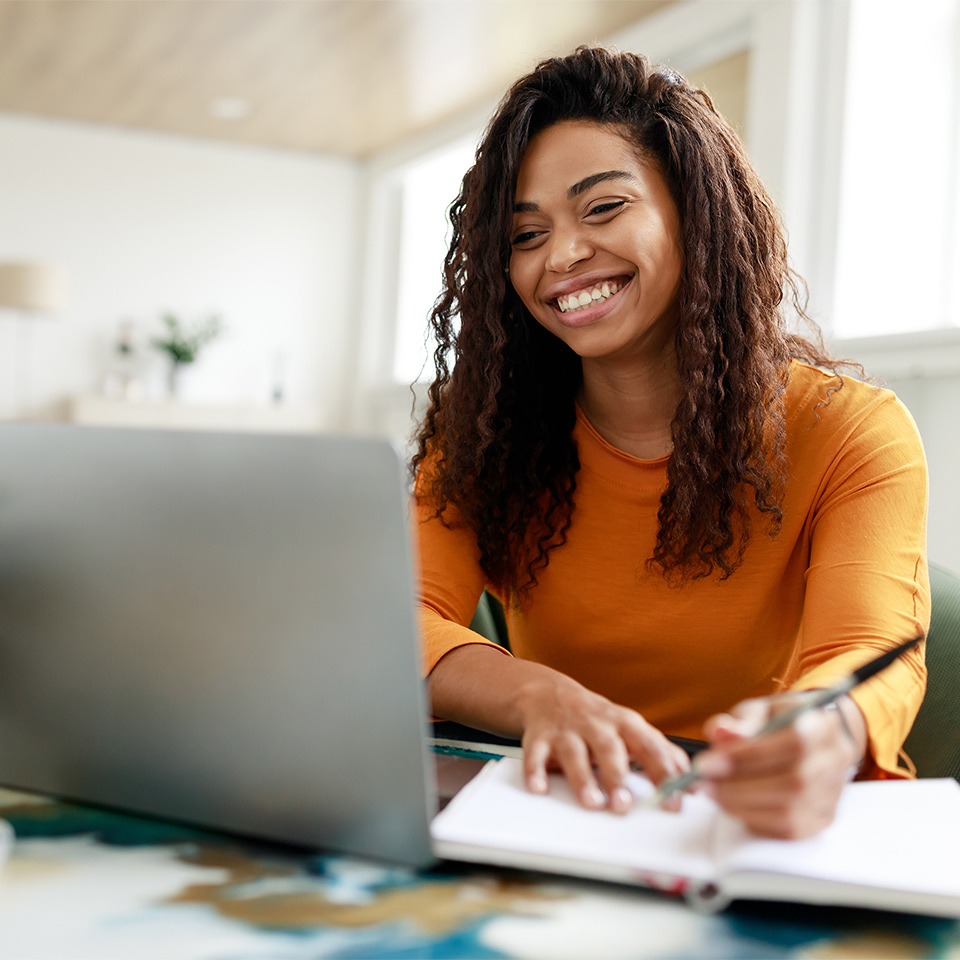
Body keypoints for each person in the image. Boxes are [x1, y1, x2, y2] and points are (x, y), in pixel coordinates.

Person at [412, 46, 929, 839]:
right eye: (525, 234)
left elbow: (867, 652)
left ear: (696, 209)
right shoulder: (483, 430)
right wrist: (539, 695)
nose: (562, 256)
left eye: (604, 208)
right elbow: (400, 616)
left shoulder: (852, 431)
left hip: (740, 828)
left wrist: (824, 734)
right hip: (553, 813)